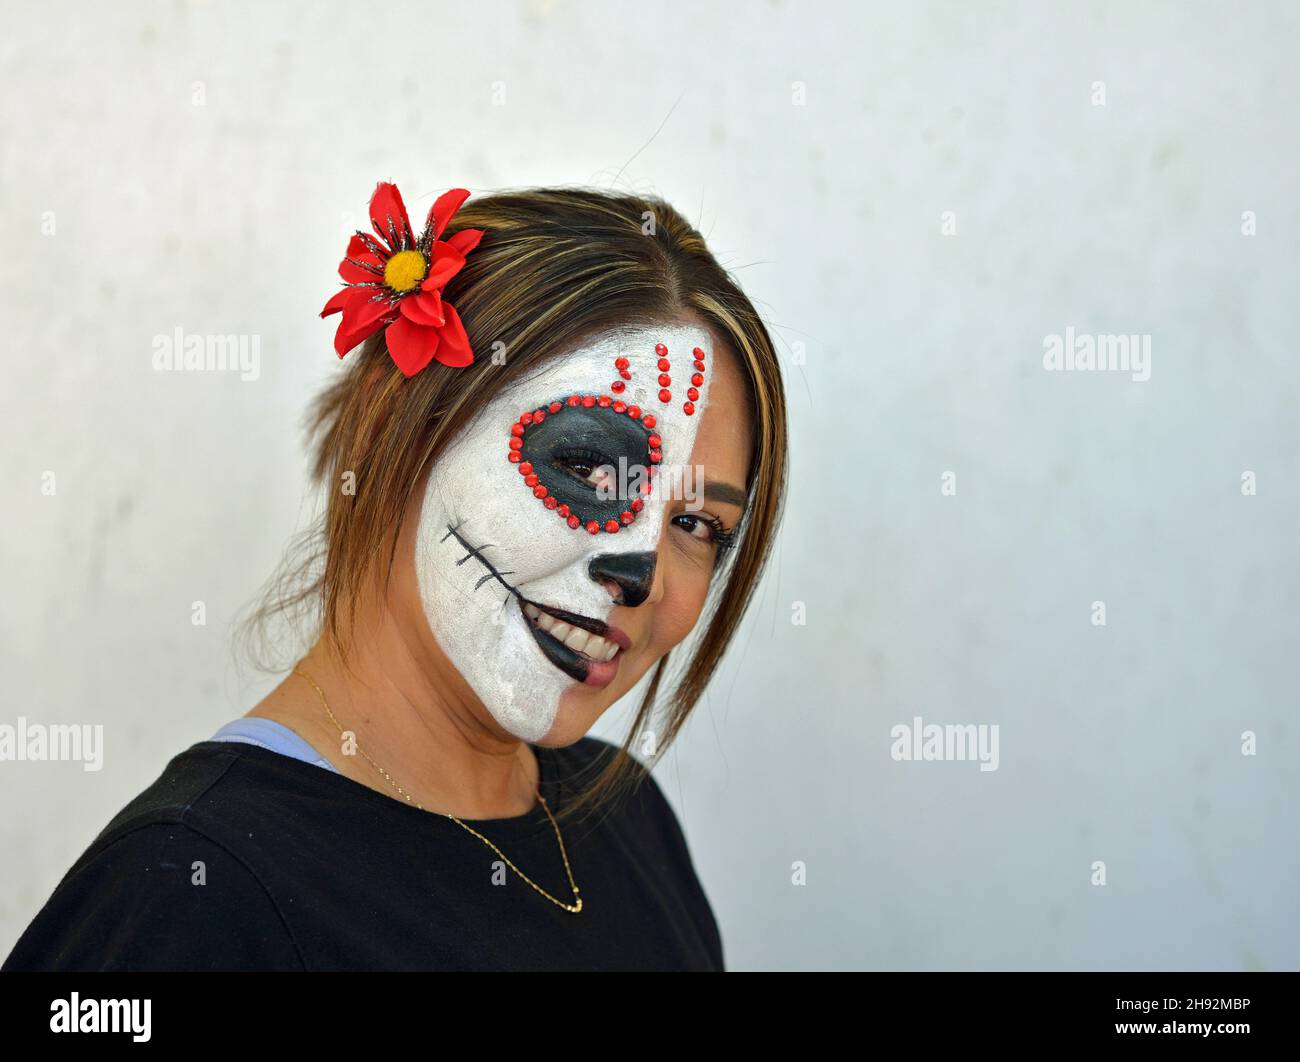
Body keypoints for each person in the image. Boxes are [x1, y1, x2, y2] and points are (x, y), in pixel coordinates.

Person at [3, 182, 788, 971]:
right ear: (395, 424)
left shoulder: (625, 820)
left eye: (697, 525)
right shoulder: (181, 901)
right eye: (587, 465)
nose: (642, 573)